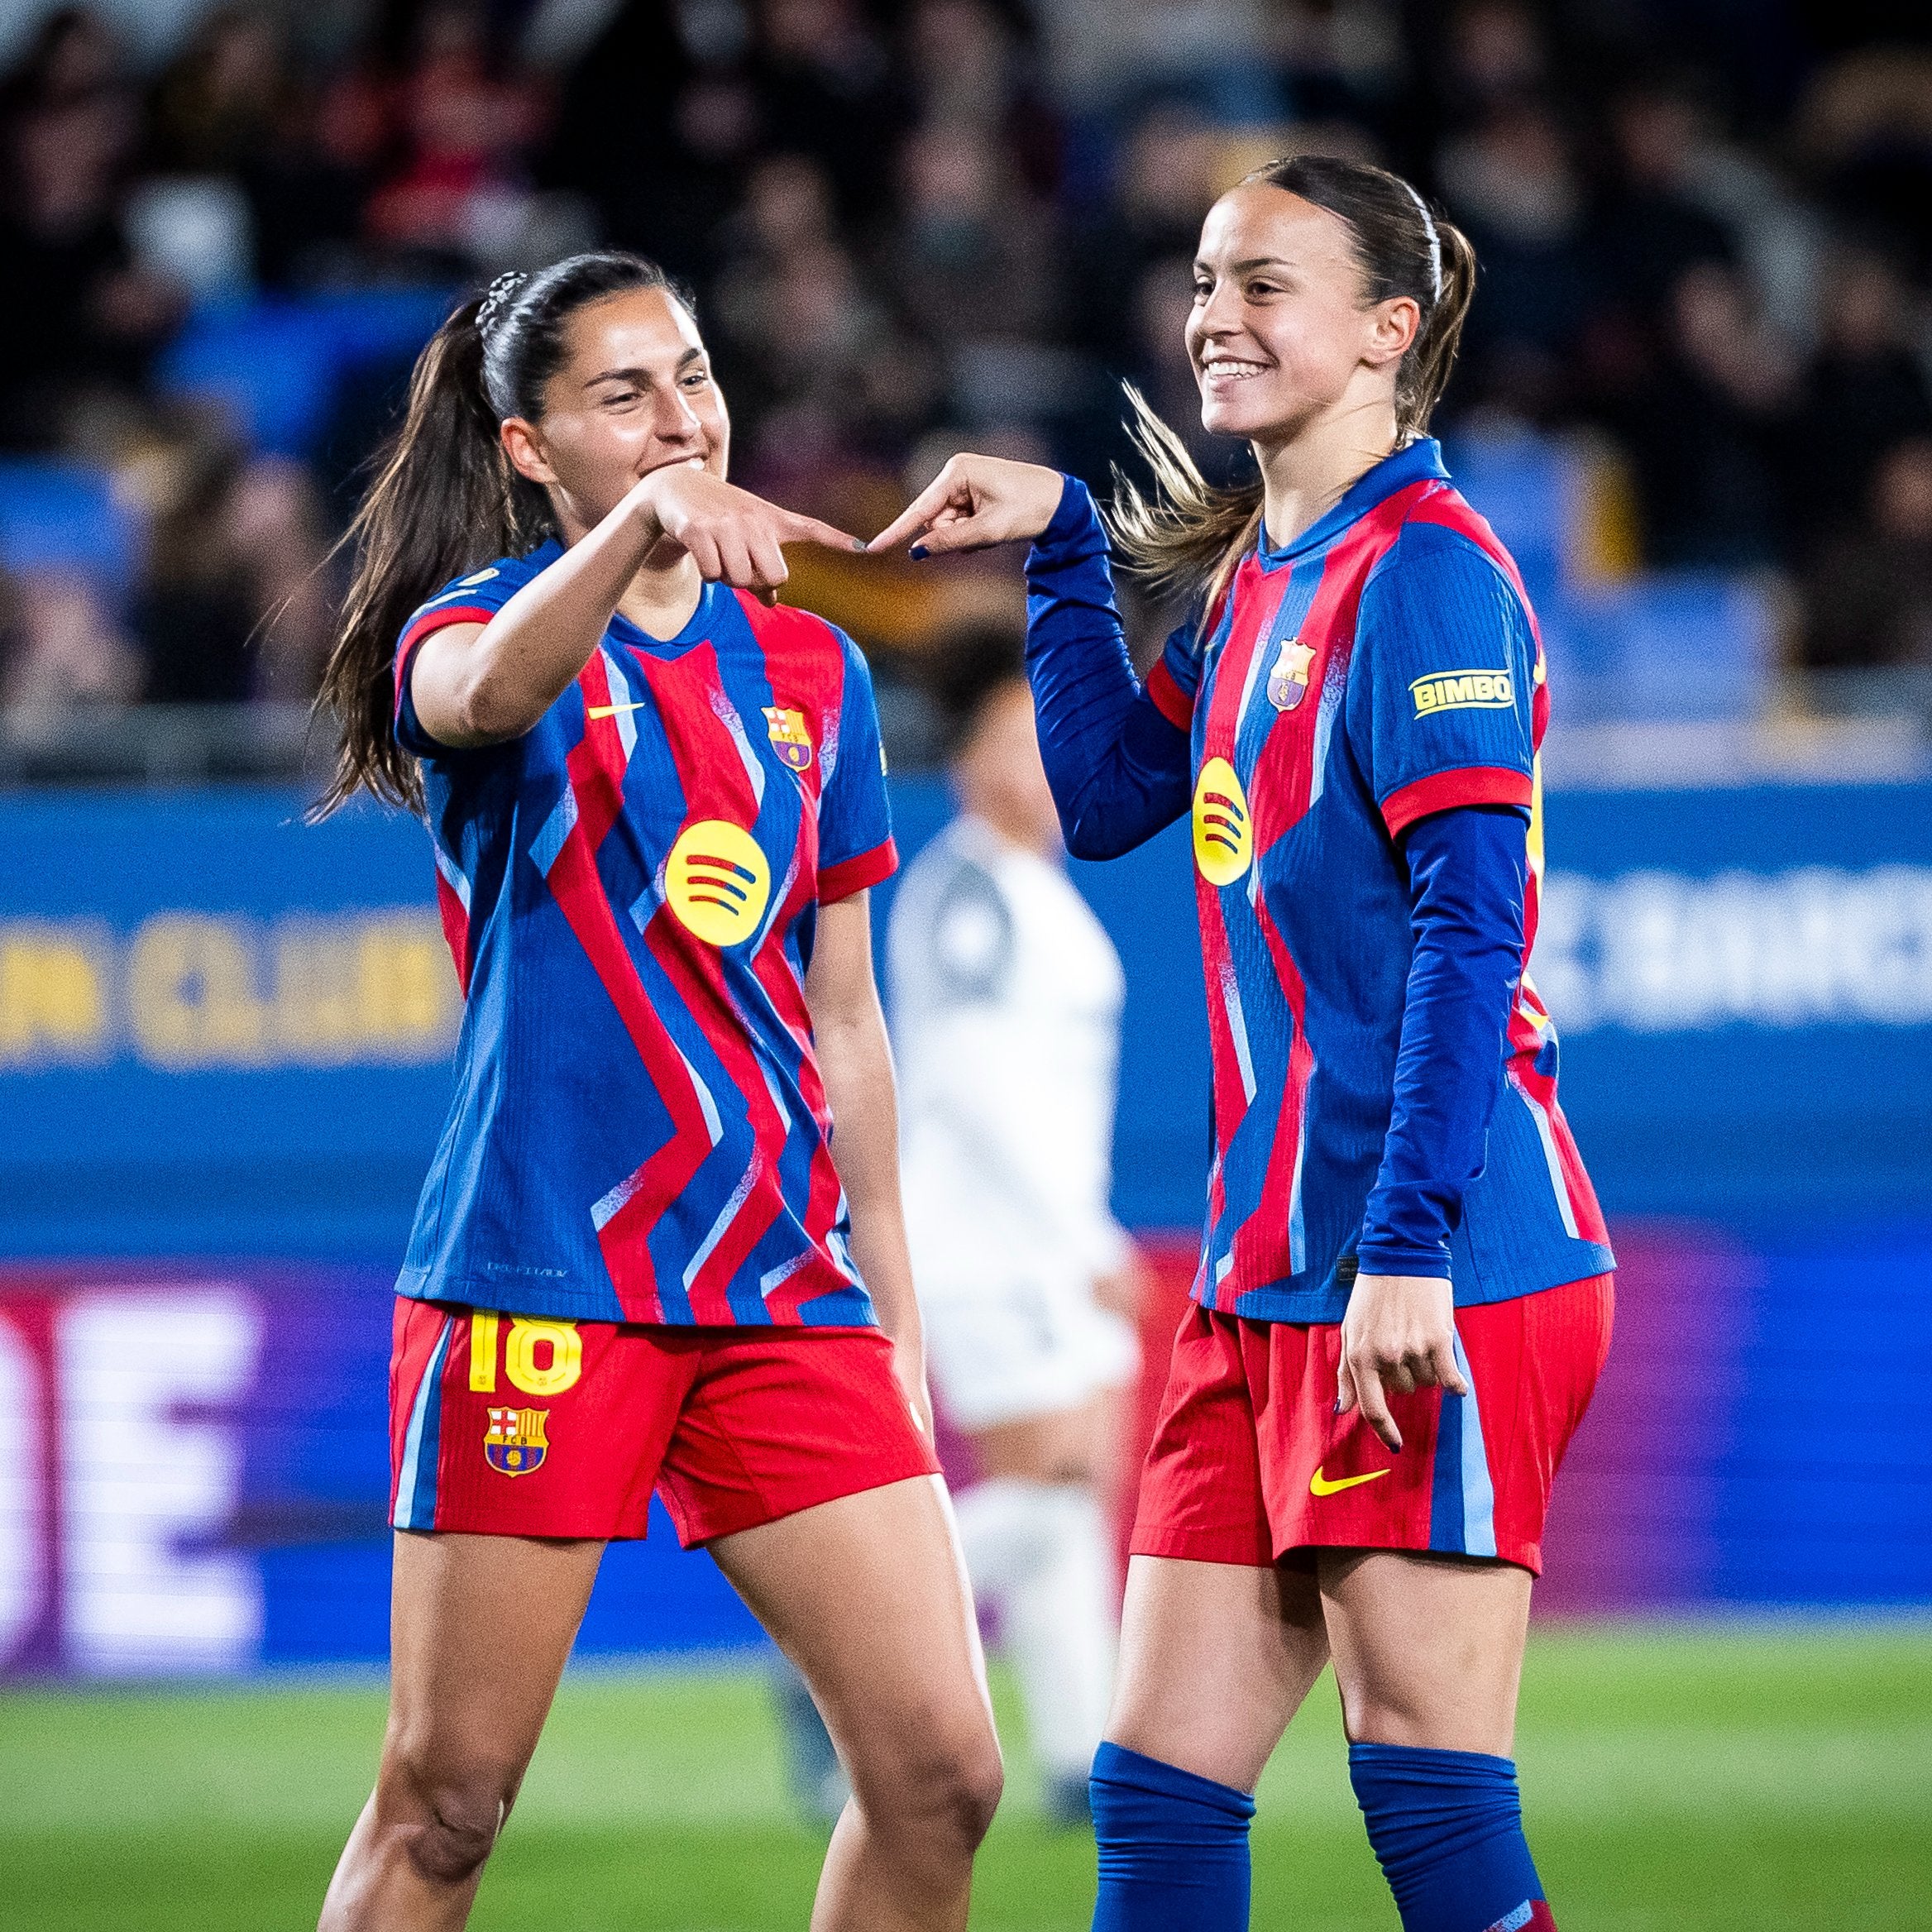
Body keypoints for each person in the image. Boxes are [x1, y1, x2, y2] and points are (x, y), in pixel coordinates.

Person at [869, 156, 1615, 1932]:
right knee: (1160, 1789)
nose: (1216, 315)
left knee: (1425, 1788)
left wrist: (1407, 1250)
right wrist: (1064, 548)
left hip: (1430, 1258)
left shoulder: (1423, 577)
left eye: (1266, 283)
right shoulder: (1260, 578)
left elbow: (1469, 926)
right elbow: (1115, 795)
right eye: (1206, 279)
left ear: (1387, 329)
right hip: (1259, 1269)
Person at [311, 251, 1002, 1932]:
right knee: (449, 1803)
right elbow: (478, 700)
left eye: (689, 374)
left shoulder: (812, 679)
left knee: (940, 1773)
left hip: (777, 1287)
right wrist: (639, 529)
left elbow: (846, 1024)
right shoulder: (471, 631)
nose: (682, 416)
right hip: (544, 1282)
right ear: (530, 447)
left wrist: (894, 1326)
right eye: (625, 394)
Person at [892, 621, 1142, 1825]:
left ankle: (1078, 1757)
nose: (1042, 760)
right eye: (1015, 738)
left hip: (1020, 1241)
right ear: (971, 761)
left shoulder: (1018, 889)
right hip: (992, 1247)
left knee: (1069, 1496)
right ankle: (860, 1619)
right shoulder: (974, 893)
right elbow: (982, 1091)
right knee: (1059, 1489)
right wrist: (1086, 1244)